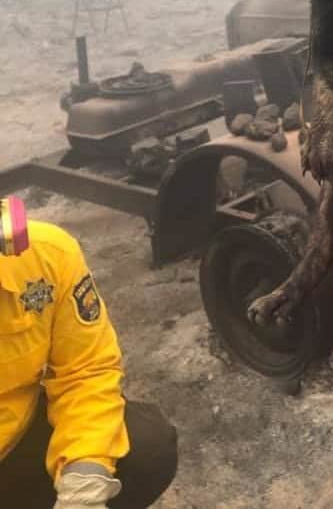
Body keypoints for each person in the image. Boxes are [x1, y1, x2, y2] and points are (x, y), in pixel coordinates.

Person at [0, 196, 177, 509]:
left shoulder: (45, 257)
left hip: (14, 436)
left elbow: (85, 372)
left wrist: (83, 482)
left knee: (147, 447)